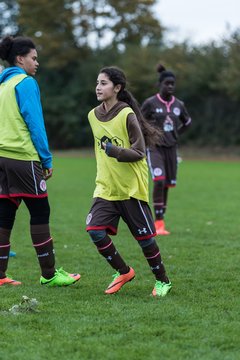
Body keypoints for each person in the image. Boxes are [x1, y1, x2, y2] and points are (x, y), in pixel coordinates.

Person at [0, 35, 80, 286]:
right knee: (40, 211)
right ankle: (50, 274)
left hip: (1, 159)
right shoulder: (25, 83)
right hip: (23, 157)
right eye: (34, 58)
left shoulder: (2, 86)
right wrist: (46, 158)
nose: (37, 63)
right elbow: (35, 124)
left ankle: (0, 276)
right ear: (20, 59)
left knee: (4, 215)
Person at [86, 66, 172, 297]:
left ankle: (162, 281)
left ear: (117, 87)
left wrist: (114, 151)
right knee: (94, 230)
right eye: (97, 82)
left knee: (145, 240)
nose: (98, 87)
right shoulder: (92, 116)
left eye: (103, 83)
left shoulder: (127, 114)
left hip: (131, 187)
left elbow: (140, 152)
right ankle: (123, 271)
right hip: (105, 187)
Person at [141, 64, 192, 235]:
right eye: (167, 84)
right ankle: (157, 222)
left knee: (167, 184)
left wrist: (176, 134)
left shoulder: (179, 104)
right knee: (159, 179)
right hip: (155, 148)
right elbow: (139, 123)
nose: (170, 86)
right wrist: (147, 137)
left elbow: (187, 122)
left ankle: (160, 221)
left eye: (172, 84)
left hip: (171, 149)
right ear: (160, 84)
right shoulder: (150, 103)